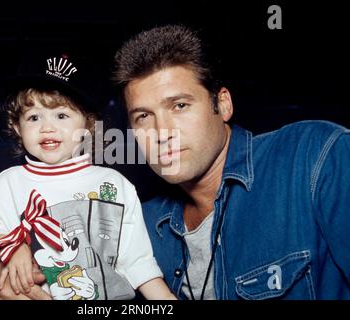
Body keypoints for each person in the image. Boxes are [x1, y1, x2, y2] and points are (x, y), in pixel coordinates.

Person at [111, 24, 350, 300]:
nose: (161, 132)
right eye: (143, 117)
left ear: (222, 104)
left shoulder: (313, 156)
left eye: (179, 106)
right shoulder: (140, 221)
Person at [0, 51, 176, 300]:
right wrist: (11, 246)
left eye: (61, 115)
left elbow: (138, 261)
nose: (47, 127)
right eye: (33, 117)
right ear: (18, 127)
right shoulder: (8, 182)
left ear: (87, 124)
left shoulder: (116, 184)